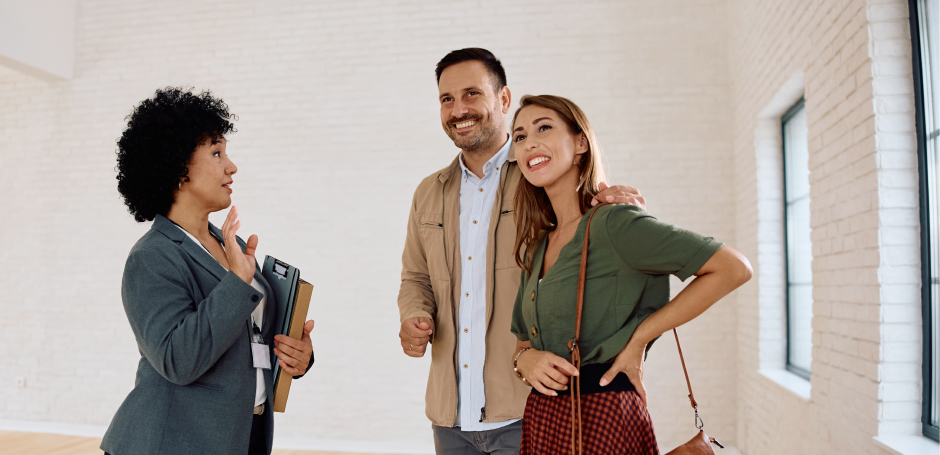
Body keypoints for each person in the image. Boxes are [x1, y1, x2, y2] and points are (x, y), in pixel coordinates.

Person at [396, 48, 647, 455]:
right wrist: (414, 315)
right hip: (450, 418)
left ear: (504, 100)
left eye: (471, 94)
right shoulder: (429, 192)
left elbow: (596, 268)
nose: (458, 109)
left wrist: (612, 208)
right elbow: (415, 277)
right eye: (446, 99)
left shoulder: (542, 173)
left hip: (531, 409)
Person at [507, 94, 752, 454]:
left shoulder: (615, 223)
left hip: (603, 414)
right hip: (545, 419)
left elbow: (732, 268)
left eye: (544, 127)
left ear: (580, 143)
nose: (530, 143)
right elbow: (523, 343)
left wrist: (640, 339)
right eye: (519, 136)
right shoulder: (537, 246)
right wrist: (522, 361)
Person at [101, 87, 315, 455]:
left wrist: (299, 355)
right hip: (172, 443)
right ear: (179, 168)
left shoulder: (226, 241)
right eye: (216, 153)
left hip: (240, 436)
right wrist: (237, 281)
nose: (231, 166)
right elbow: (178, 361)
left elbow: (248, 335)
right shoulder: (151, 258)